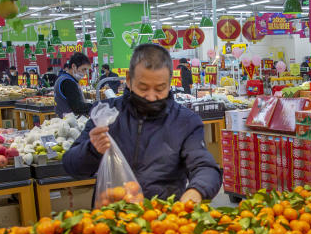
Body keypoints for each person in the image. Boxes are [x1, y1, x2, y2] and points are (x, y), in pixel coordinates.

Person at [64, 44, 222, 203]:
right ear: (128, 80)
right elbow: (71, 166)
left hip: (162, 219)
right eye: (143, 87)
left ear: (169, 83)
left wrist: (196, 191)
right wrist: (92, 150)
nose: (151, 97)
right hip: (112, 217)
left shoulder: (185, 121)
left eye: (160, 88)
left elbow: (205, 167)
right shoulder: (107, 114)